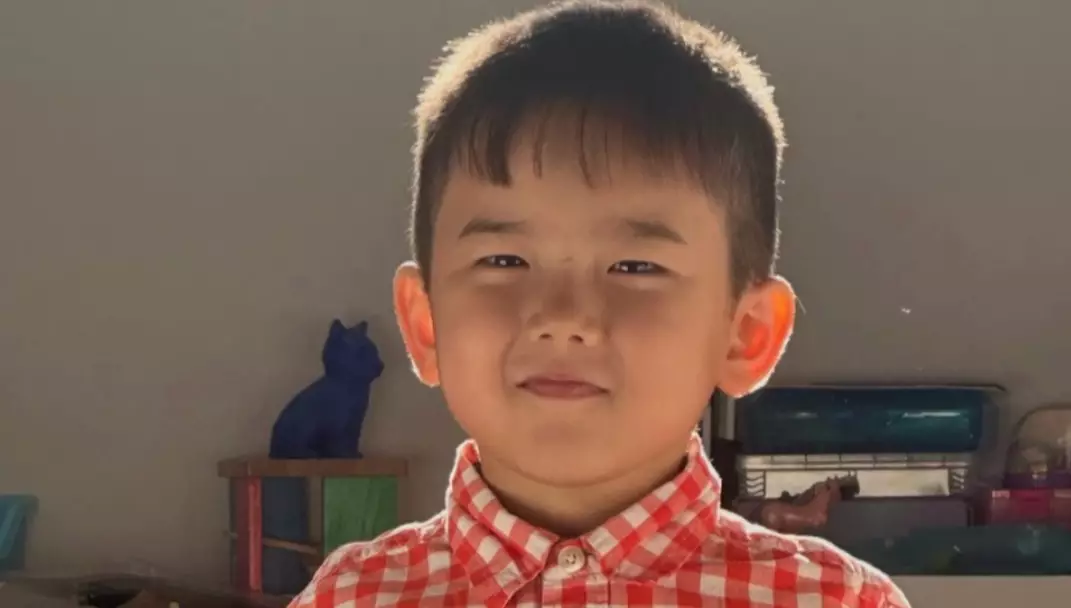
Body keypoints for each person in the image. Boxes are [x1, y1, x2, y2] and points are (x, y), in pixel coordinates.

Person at [290, 0, 911, 605]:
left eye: (635, 266)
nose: (563, 317)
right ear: (426, 325)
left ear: (746, 334)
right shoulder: (350, 597)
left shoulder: (840, 601)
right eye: (504, 260)